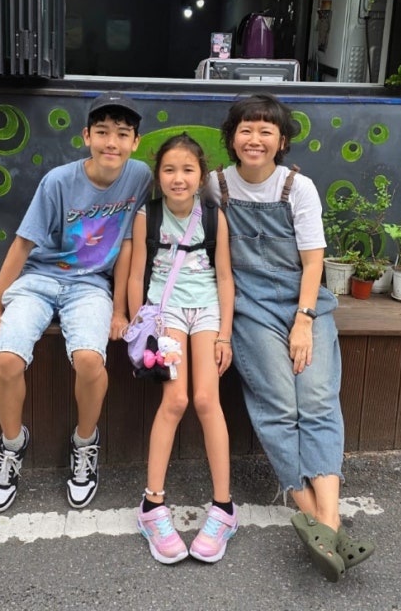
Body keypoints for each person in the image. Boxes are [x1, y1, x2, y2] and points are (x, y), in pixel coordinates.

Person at [204, 94, 375, 581]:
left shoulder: (298, 187)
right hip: (250, 308)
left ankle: (328, 523)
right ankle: (316, 519)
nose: (255, 139)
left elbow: (313, 261)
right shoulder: (215, 186)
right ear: (232, 137)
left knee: (318, 400)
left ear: (281, 141)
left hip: (304, 303)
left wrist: (303, 320)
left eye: (266, 130)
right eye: (246, 129)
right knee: (279, 404)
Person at [0, 92, 152, 513]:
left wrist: (120, 311)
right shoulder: (58, 181)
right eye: (103, 132)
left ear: (135, 142)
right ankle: (12, 445)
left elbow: (130, 244)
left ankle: (84, 443)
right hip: (39, 279)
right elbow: (23, 244)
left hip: (90, 285)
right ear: (86, 136)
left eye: (122, 134)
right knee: (7, 359)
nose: (112, 142)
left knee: (90, 359)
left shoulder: (141, 176)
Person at [127, 132, 236, 564]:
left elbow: (224, 277)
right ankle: (152, 505)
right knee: (176, 400)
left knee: (208, 400)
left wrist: (225, 334)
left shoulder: (214, 217)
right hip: (166, 312)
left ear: (201, 176)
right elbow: (136, 274)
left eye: (188, 170)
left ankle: (224, 508)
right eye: (169, 169)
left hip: (207, 312)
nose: (178, 178)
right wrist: (140, 324)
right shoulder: (147, 216)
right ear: (158, 175)